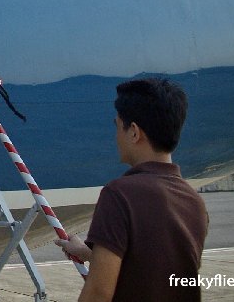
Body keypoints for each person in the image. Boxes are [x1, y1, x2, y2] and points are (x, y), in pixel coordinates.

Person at [55, 78, 209, 302]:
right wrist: (90, 254)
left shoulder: (119, 194)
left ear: (134, 132)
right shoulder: (195, 202)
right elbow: (157, 271)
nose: (116, 137)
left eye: (118, 126)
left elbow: (98, 294)